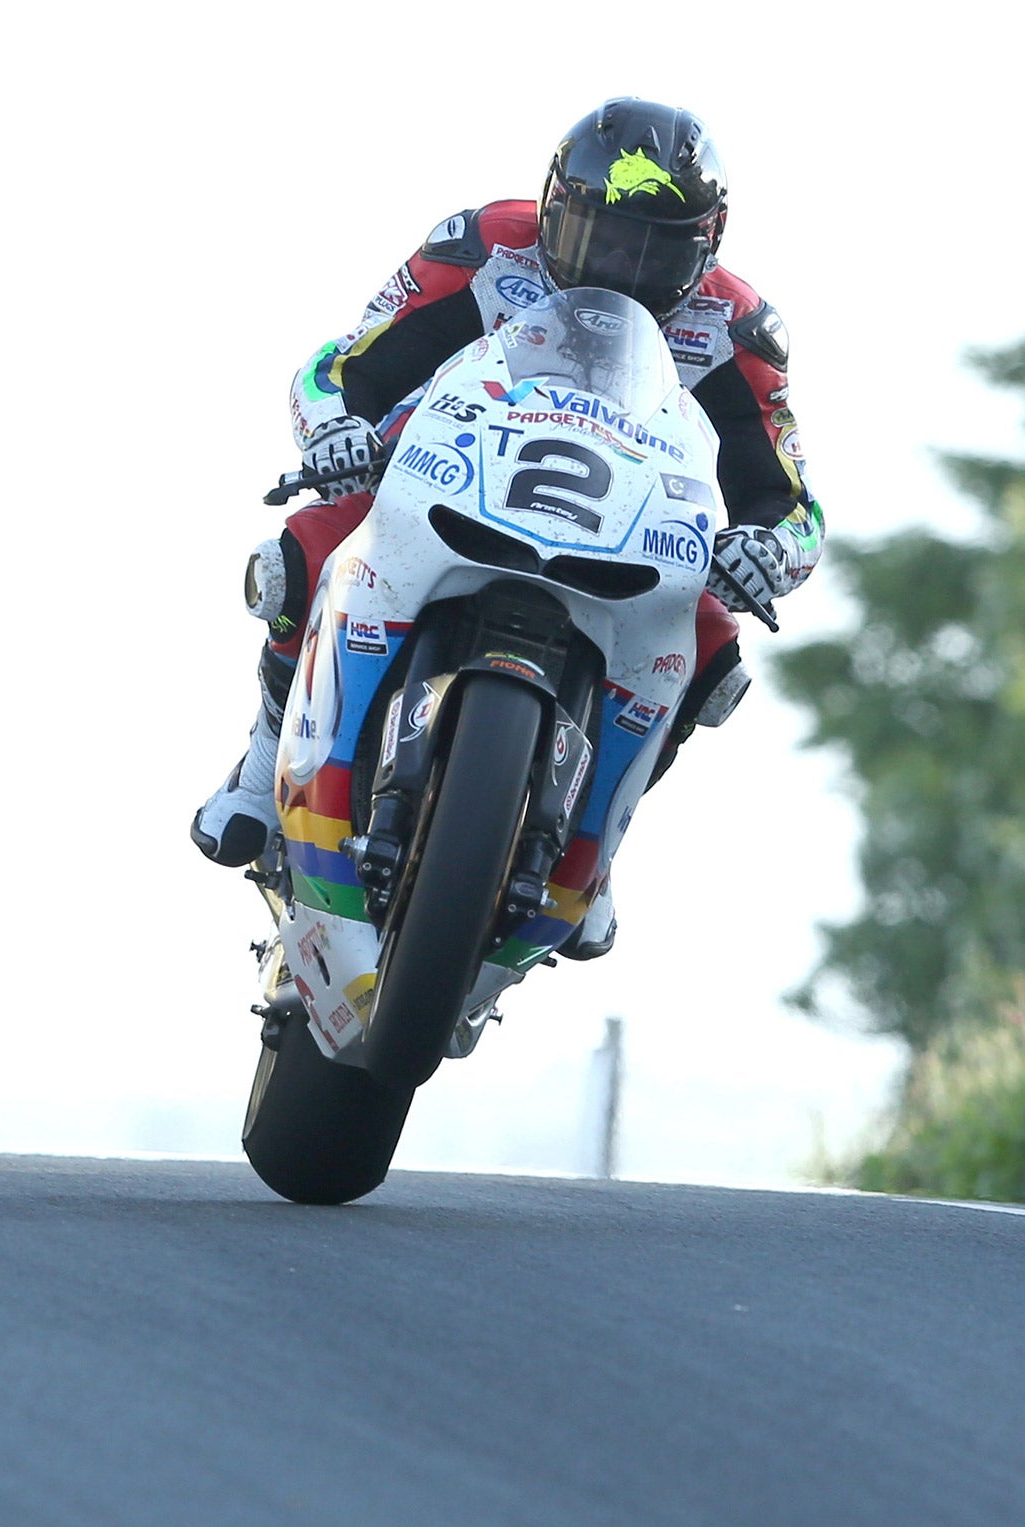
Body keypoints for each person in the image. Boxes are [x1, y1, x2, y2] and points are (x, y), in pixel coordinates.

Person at [191, 98, 825, 958]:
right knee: (306, 546)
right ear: (554, 204)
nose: (620, 265)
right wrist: (335, 429)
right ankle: (266, 760)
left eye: (654, 249)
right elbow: (342, 365)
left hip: (629, 526)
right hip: (453, 473)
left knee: (712, 651)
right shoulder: (481, 246)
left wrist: (767, 554)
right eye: (600, 237)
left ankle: (596, 853)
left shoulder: (737, 328)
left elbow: (790, 497)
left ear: (706, 249)